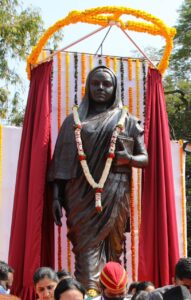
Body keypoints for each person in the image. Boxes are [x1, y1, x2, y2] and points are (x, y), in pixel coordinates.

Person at [48, 65, 148, 293]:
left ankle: (112, 293)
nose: (101, 88)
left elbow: (145, 158)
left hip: (115, 192)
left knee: (113, 250)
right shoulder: (73, 121)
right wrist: (55, 197)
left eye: (106, 84)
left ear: (114, 89)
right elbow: (60, 162)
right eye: (96, 83)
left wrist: (129, 158)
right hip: (80, 195)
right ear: (88, 87)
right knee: (85, 252)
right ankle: (89, 293)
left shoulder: (128, 120)